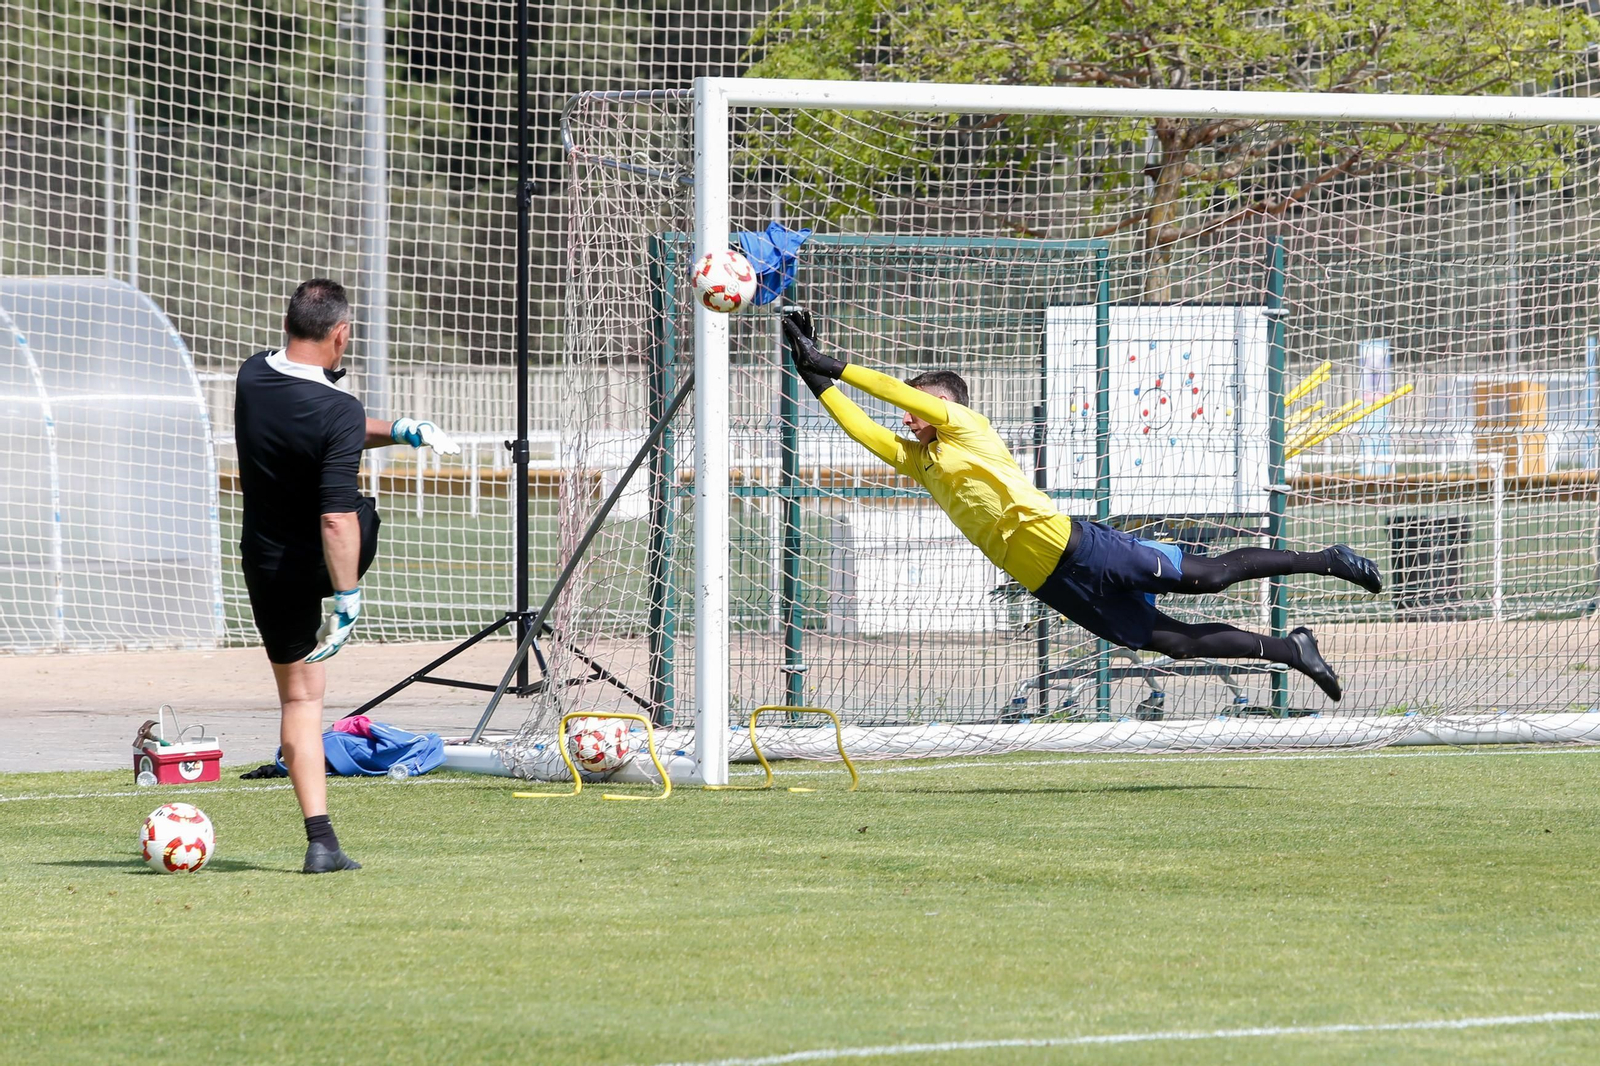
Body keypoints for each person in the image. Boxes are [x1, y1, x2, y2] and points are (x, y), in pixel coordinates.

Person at [780, 309, 1382, 702]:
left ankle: (1327, 559)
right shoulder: (922, 460)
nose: (906, 417)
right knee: (1171, 644)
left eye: (918, 406)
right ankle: (1292, 650)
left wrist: (830, 360)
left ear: (945, 407)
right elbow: (862, 427)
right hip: (1049, 581)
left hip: (1078, 546)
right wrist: (811, 372)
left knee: (1209, 577)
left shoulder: (968, 427)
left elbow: (890, 391)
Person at [234, 278, 460, 873]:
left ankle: (322, 841)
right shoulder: (340, 408)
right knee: (359, 513)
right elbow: (335, 517)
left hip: (265, 566)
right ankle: (323, 846)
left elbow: (325, 427)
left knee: (300, 700)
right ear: (341, 334)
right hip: (323, 562)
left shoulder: (251, 375)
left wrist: (403, 431)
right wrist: (347, 597)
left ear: (288, 325)